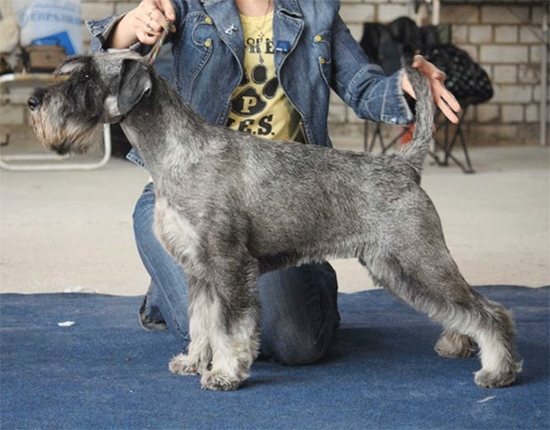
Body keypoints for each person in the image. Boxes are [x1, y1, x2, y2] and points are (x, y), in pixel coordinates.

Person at [88, 0, 460, 366]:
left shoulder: (317, 10)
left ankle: (278, 282)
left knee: (295, 344)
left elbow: (363, 86)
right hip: (185, 194)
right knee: (208, 329)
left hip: (281, 199)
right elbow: (107, 63)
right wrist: (133, 24)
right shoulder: (188, 5)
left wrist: (407, 86)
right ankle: (178, 279)